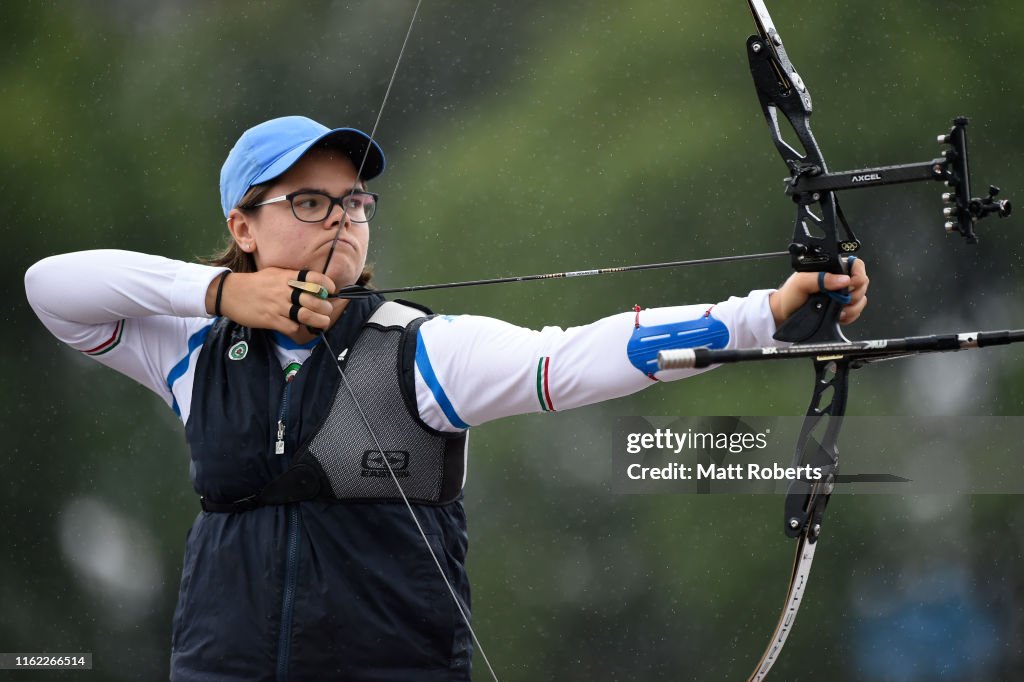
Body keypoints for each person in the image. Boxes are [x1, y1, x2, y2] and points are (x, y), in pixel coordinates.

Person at [24, 115, 869, 681]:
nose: (342, 221)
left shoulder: (420, 349)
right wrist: (220, 296)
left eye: (354, 202)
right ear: (243, 228)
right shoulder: (191, 351)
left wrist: (766, 315)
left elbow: (573, 359)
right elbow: (51, 286)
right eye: (309, 202)